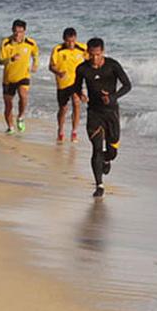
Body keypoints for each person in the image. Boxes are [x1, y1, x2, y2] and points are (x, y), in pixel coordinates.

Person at [72, 38, 131, 197]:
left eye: (97, 55)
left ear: (102, 52)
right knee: (96, 149)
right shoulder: (83, 69)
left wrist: (112, 97)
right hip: (94, 113)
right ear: (87, 53)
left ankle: (107, 160)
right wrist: (81, 94)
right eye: (91, 55)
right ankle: (99, 185)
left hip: (111, 113)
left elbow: (127, 85)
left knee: (112, 152)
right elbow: (76, 86)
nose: (94, 59)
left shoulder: (113, 66)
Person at [0, 19, 39, 133]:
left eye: (20, 31)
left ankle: (20, 117)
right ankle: (10, 127)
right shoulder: (5, 42)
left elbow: (35, 54)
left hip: (23, 76)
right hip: (9, 78)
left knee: (23, 96)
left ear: (24, 31)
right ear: (12, 30)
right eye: (16, 31)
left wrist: (35, 64)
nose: (18, 34)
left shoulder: (30, 43)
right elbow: (0, 61)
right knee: (8, 105)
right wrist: (11, 59)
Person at [49, 28, 88, 143]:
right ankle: (60, 130)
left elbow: (91, 61)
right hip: (63, 83)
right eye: (68, 41)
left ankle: (74, 132)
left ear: (76, 38)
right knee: (63, 108)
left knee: (76, 103)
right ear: (64, 40)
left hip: (77, 83)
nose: (71, 44)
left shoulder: (82, 48)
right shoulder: (58, 49)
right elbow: (51, 66)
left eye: (73, 41)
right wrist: (58, 72)